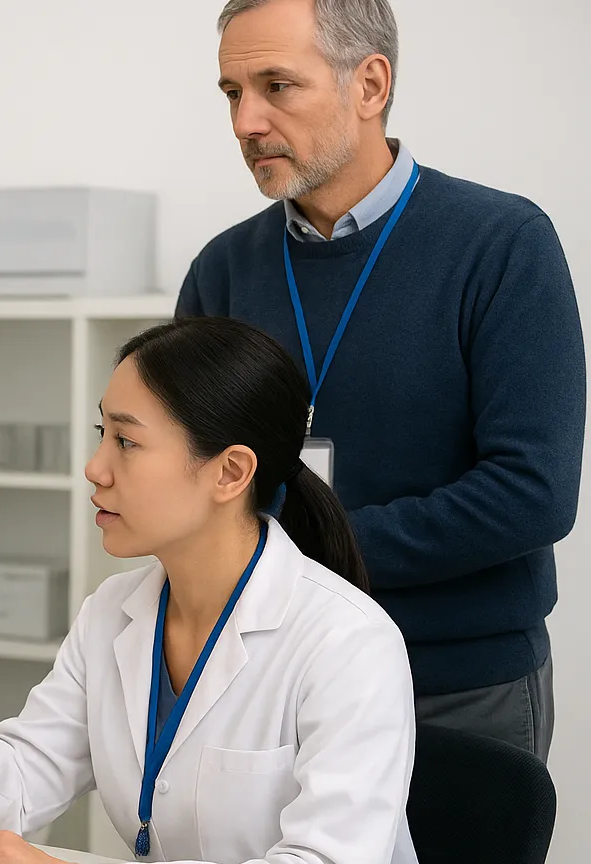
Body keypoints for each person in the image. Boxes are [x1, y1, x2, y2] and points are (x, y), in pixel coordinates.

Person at [0, 317, 417, 864]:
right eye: (102, 433)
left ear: (230, 473)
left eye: (127, 441)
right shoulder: (112, 614)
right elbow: (10, 798)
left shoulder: (349, 643)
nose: (95, 467)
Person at [178, 0, 582, 763]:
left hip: (456, 687)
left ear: (369, 85)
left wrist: (315, 547)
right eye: (233, 93)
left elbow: (532, 493)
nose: (245, 122)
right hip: (269, 679)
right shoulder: (222, 270)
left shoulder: (502, 244)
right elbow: (189, 471)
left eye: (276, 86)